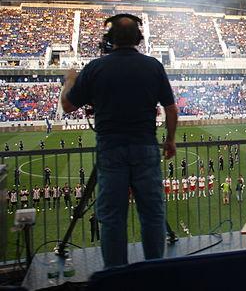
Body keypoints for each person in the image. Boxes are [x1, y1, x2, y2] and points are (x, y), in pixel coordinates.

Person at [61, 14, 178, 269]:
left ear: (109, 40)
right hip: (146, 147)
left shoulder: (95, 67)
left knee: (113, 217)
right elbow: (171, 109)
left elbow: (68, 105)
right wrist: (170, 140)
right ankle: (155, 272)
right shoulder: (153, 66)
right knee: (152, 214)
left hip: (111, 150)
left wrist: (70, 78)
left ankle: (116, 276)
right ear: (139, 38)